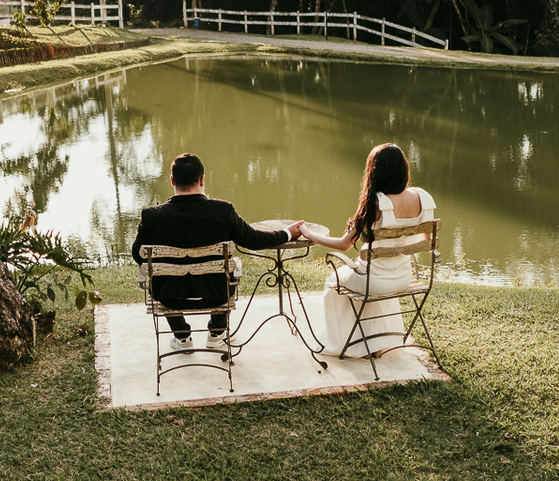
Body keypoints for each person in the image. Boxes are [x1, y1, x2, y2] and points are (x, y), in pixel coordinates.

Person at [132, 153, 303, 352]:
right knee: (231, 269)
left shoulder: (151, 216)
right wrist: (286, 233)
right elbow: (254, 240)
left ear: (172, 181)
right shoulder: (223, 211)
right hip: (215, 293)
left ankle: (182, 336)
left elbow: (138, 255)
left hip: (170, 296)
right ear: (202, 179)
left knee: (163, 277)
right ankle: (217, 332)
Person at [300, 143, 435, 358]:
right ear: (403, 170)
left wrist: (310, 235)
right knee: (372, 284)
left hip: (373, 281)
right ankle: (377, 343)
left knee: (334, 282)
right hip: (403, 277)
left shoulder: (376, 204)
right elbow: (425, 239)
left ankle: (352, 346)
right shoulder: (422, 197)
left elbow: (344, 244)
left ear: (375, 172)